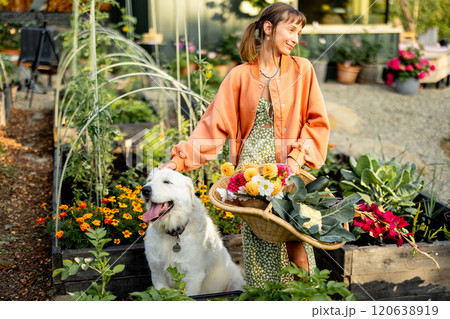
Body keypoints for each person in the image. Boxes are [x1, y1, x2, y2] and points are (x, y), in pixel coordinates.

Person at [159, 2, 330, 288]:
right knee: (261, 240)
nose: (295, 39)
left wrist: (295, 161)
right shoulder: (238, 76)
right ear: (268, 27)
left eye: (299, 33)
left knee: (295, 237)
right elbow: (212, 126)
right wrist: (177, 162)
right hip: (250, 176)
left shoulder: (303, 70)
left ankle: (306, 297)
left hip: (288, 168)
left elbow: (317, 123)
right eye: (291, 30)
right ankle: (265, 299)